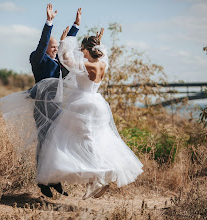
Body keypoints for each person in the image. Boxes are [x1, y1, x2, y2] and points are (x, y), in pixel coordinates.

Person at [34, 28, 144, 199]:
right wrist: (98, 42)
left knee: (74, 141)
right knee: (94, 140)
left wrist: (64, 42)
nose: (80, 52)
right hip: (98, 105)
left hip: (83, 105)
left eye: (82, 49)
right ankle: (94, 181)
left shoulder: (88, 65)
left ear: (87, 49)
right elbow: (99, 55)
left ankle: (98, 176)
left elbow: (66, 60)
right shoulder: (102, 64)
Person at [30, 4, 81, 198]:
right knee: (44, 144)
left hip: (57, 107)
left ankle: (54, 178)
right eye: (52, 47)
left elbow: (64, 50)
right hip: (43, 109)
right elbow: (43, 43)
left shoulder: (57, 64)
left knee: (57, 143)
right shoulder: (38, 59)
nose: (54, 49)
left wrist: (75, 28)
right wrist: (49, 22)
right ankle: (42, 181)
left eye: (55, 47)